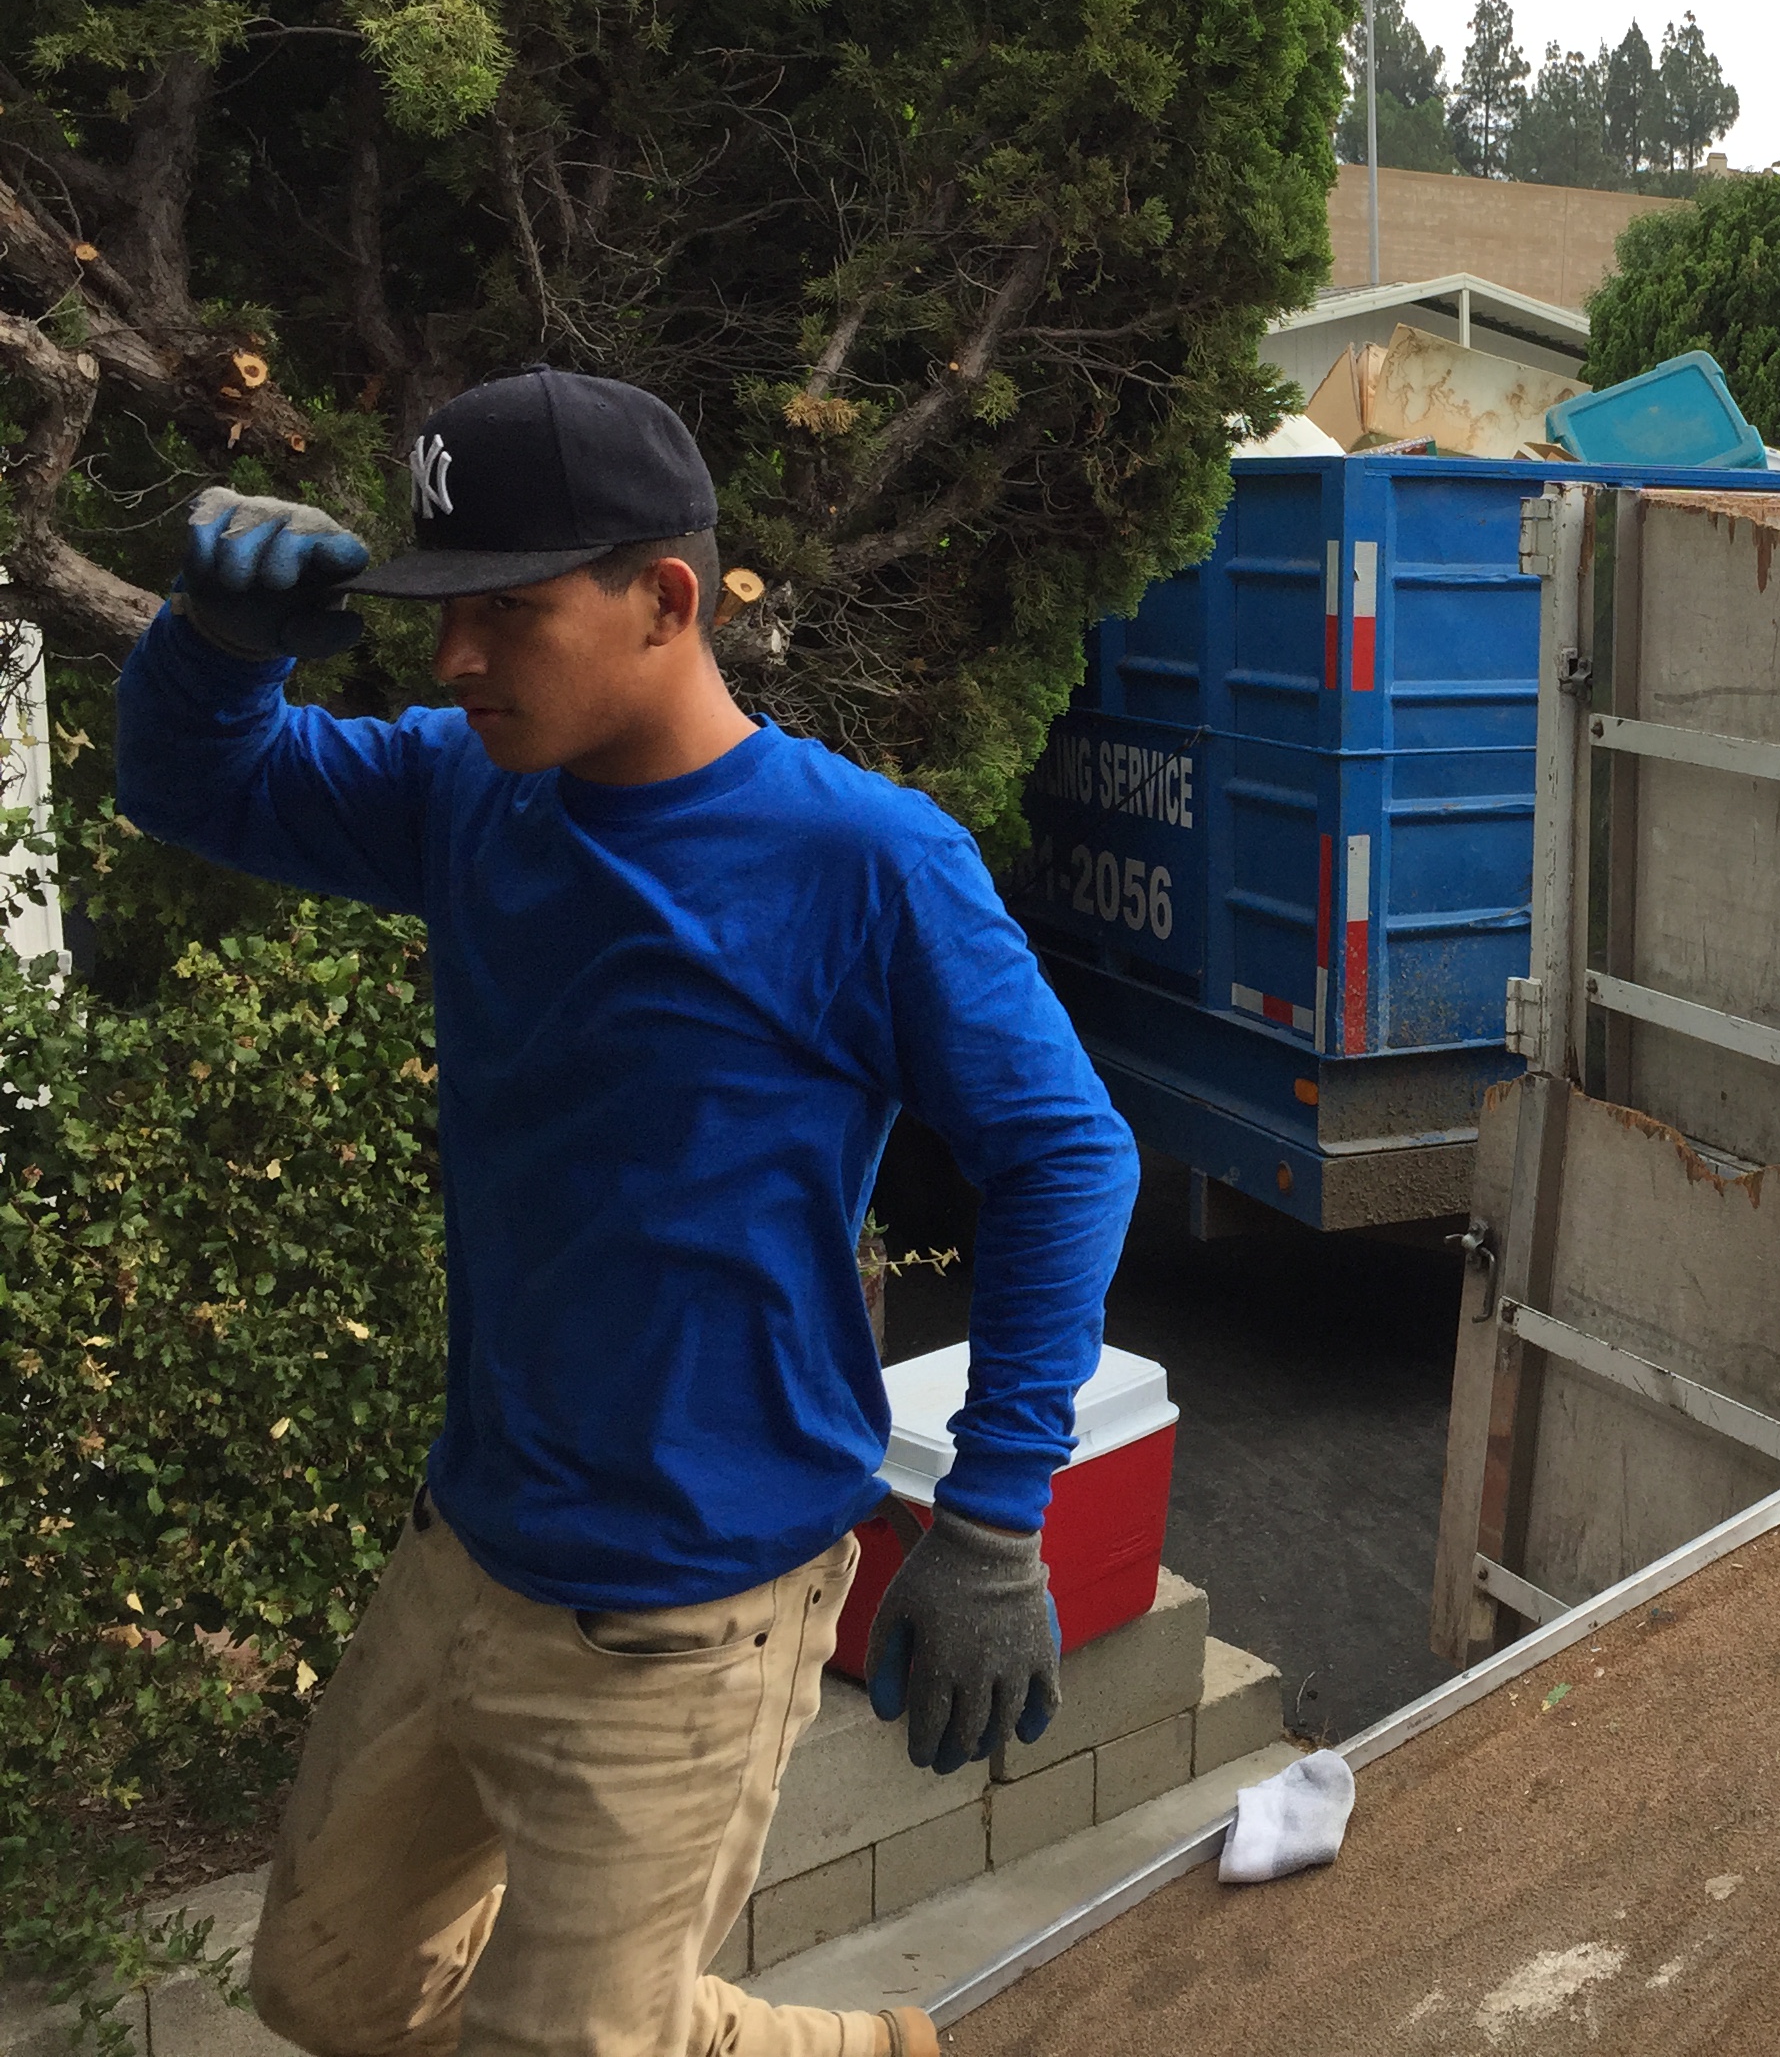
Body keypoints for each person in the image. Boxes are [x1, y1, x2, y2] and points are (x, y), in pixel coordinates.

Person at [115, 367, 1139, 2057]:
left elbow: (1066, 1152)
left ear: (664, 599)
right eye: (444, 614)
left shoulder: (865, 863)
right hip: (469, 1555)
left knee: (564, 2040)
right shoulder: (466, 793)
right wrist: (216, 648)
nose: (453, 660)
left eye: (506, 615)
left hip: (686, 1610)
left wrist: (997, 1515)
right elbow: (202, 790)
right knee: (327, 1987)